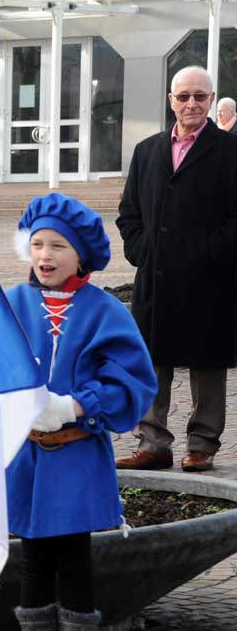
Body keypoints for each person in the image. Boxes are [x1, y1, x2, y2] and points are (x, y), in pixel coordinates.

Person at [5, 193, 156, 631]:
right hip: (27, 458)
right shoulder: (11, 304)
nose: (45, 255)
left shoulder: (104, 311)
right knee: (33, 559)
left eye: (58, 246)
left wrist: (76, 405)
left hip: (75, 457)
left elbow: (132, 380)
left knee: (73, 560)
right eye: (38, 245)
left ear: (81, 255)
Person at [116, 65, 237, 473]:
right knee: (152, 359)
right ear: (171, 100)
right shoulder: (147, 151)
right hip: (156, 277)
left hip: (210, 278)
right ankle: (153, 443)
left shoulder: (230, 151)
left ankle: (202, 445)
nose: (192, 104)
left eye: (200, 96)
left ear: (211, 100)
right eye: (183, 96)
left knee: (207, 364)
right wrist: (143, 251)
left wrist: (206, 253)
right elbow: (128, 214)